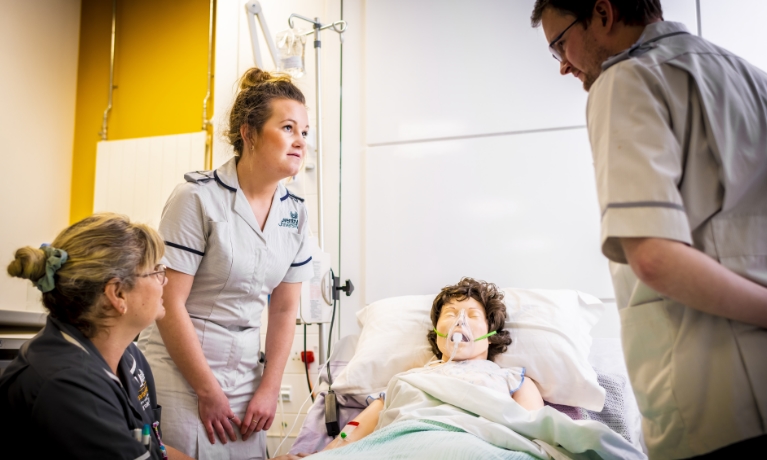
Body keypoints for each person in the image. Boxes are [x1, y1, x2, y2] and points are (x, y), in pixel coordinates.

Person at [530, 1, 767, 458]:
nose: (562, 65)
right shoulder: (752, 79)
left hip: (712, 403)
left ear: (603, 13)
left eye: (561, 43)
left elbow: (654, 258)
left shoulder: (626, 79)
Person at [137, 67, 315, 459]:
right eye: (287, 128)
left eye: (304, 131)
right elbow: (169, 305)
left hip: (247, 375)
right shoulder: (197, 198)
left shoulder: (296, 214)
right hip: (181, 370)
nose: (300, 141)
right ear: (248, 133)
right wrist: (206, 389)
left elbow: (285, 309)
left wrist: (269, 389)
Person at [0, 213, 192, 460]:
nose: (163, 282)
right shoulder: (67, 389)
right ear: (118, 294)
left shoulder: (129, 357)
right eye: (156, 271)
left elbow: (153, 449)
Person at [321, 278, 543, 452]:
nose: (460, 320)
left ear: (491, 336)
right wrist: (325, 454)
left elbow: (536, 436)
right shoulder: (409, 380)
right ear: (436, 331)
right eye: (451, 313)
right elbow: (351, 435)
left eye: (473, 315)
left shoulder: (514, 381)